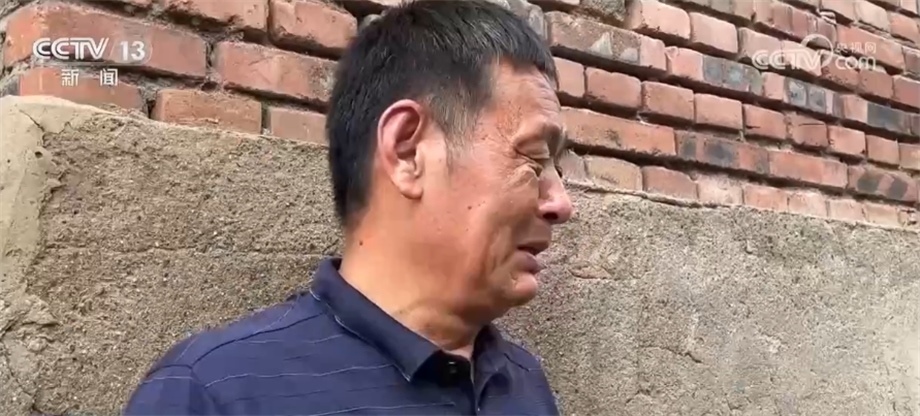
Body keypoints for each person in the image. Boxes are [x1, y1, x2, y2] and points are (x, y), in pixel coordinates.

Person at [123, 0, 573, 414]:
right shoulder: (213, 393)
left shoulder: (522, 383)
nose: (561, 203)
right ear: (408, 151)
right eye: (534, 157)